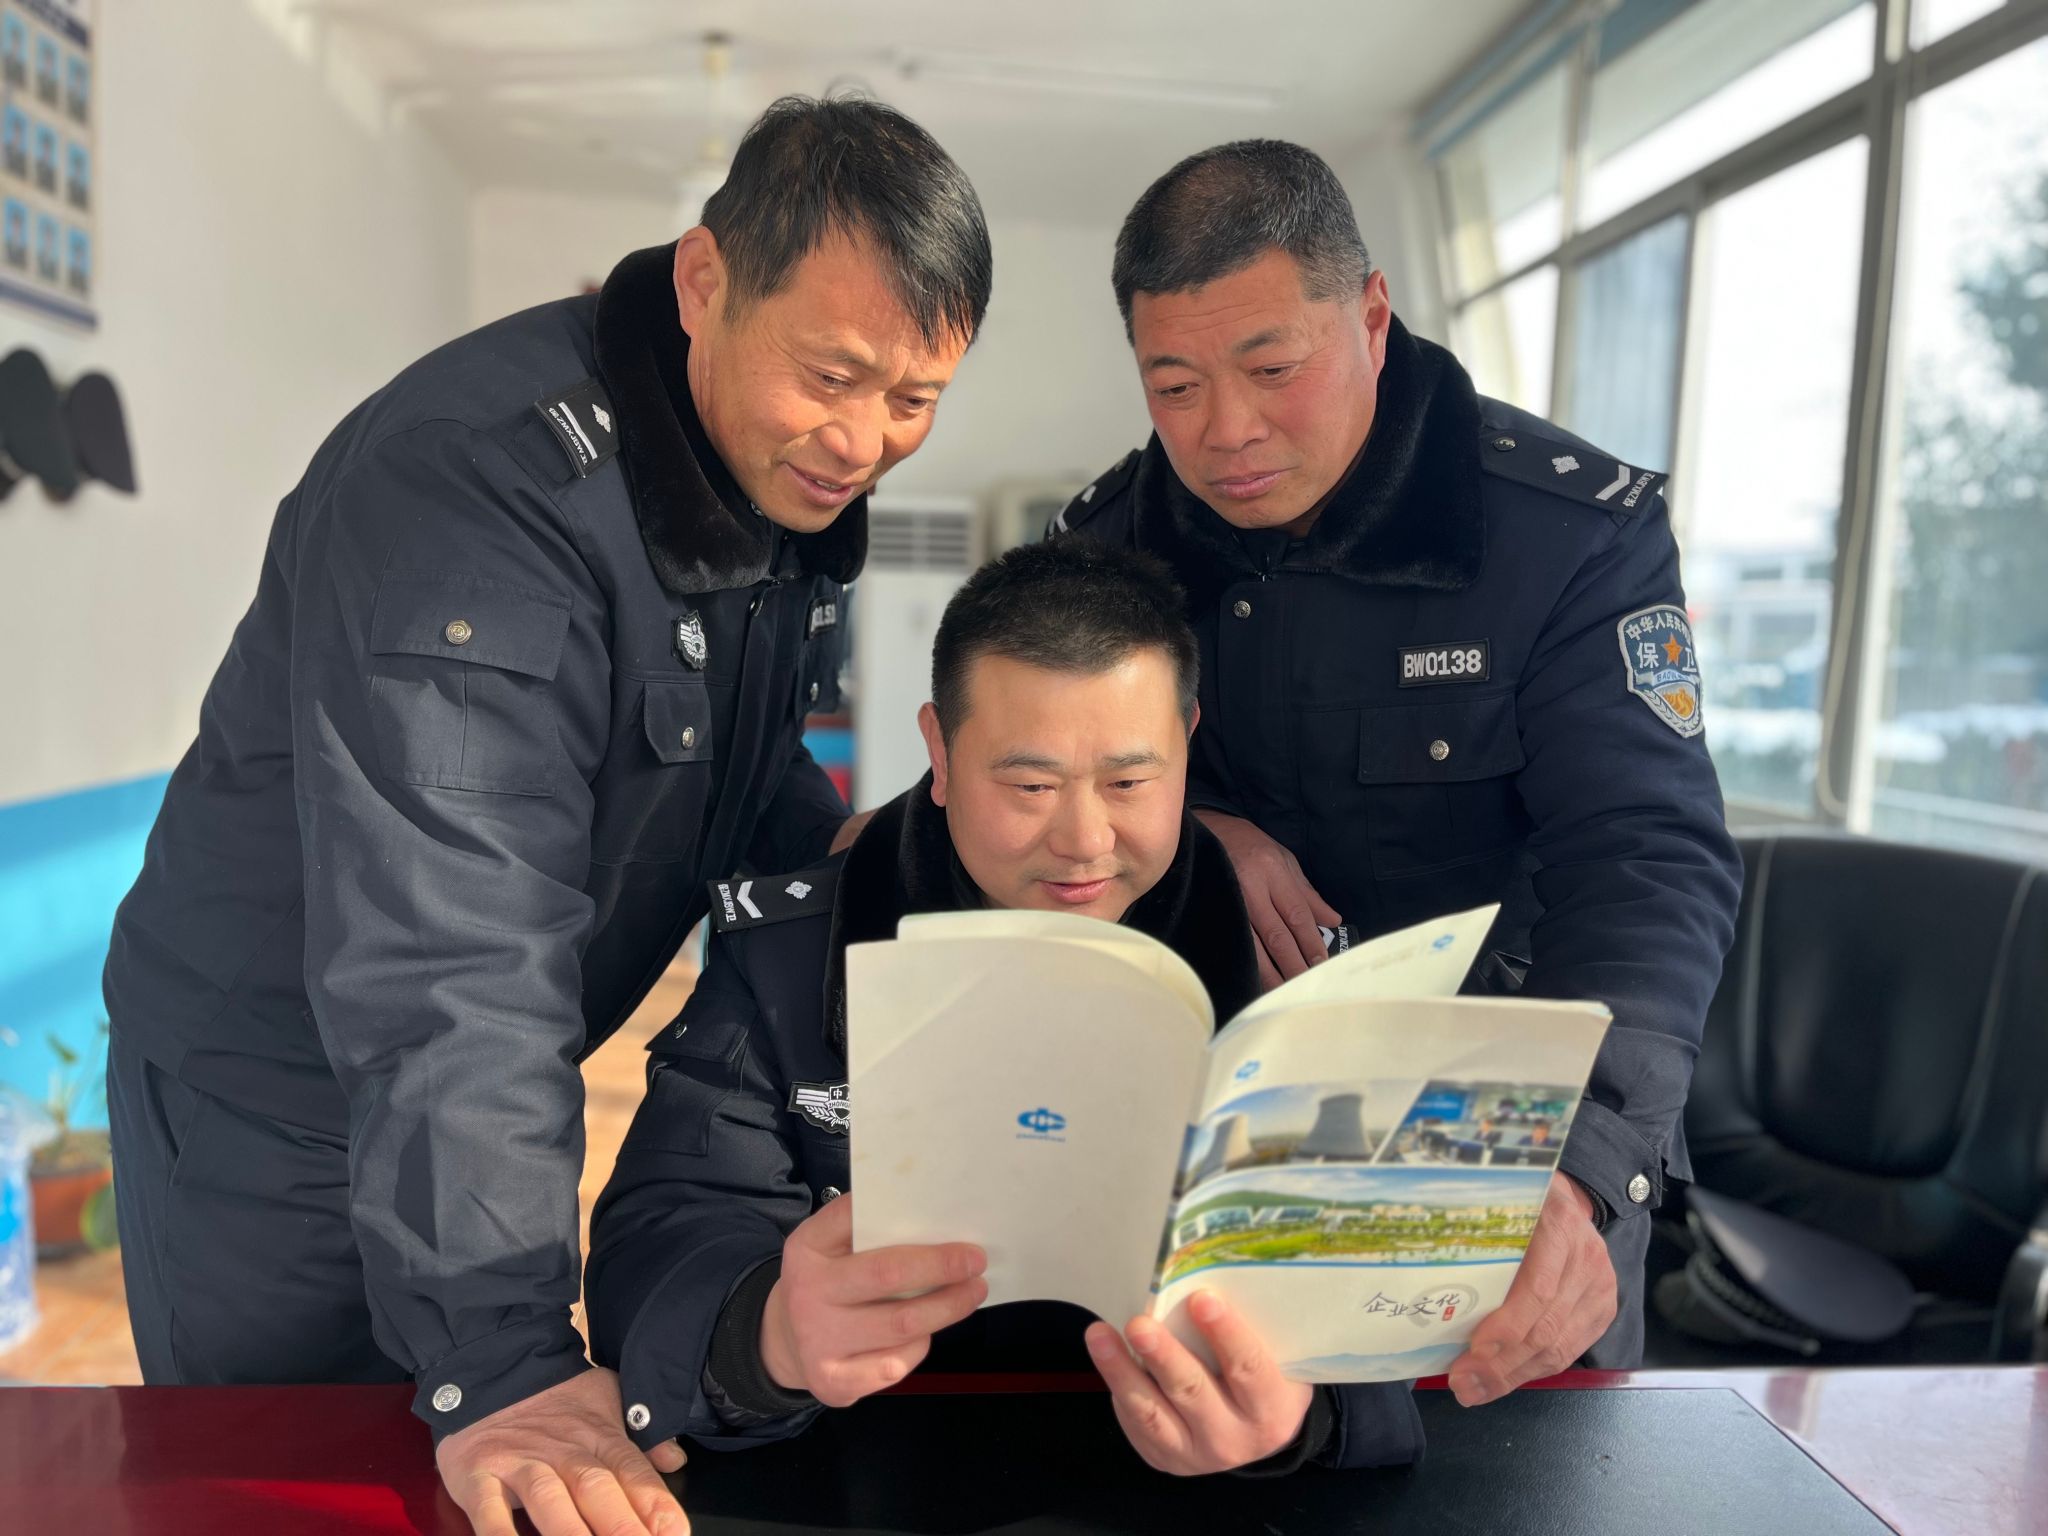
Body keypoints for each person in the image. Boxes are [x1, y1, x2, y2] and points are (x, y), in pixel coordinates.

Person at [102, 95, 989, 1536]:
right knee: (302, 1491)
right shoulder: (470, 491)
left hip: (453, 1088)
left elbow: (738, 757)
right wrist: (502, 1354)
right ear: (704, 282)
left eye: (915, 400)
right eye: (831, 375)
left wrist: (882, 864)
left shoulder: (763, 470)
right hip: (279, 1106)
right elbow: (450, 944)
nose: (861, 442)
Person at [1054, 139, 1742, 1407]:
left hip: (1502, 1138)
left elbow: (1644, 859)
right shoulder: (1105, 547)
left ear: (1369, 315)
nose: (1225, 431)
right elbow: (1042, 804)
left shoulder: (1562, 537)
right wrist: (1197, 827)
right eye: (1174, 386)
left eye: (1271, 368)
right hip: (1199, 1149)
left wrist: (1579, 1168)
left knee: (1509, 1479)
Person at [585, 539, 1426, 1479]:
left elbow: (1385, 1287)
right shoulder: (788, 955)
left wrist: (1302, 1415)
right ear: (941, 754)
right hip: (864, 1470)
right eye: (1030, 786)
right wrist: (769, 1332)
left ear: (1189, 742)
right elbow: (663, 1231)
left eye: (1129, 782)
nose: (1084, 840)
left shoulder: (1296, 970)